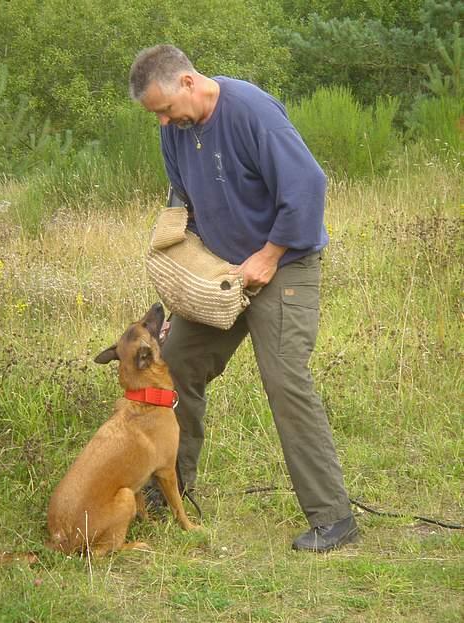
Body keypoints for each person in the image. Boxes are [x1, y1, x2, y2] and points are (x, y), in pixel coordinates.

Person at [129, 44, 358, 552]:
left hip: (284, 266)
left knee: (285, 381)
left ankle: (333, 518)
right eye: (156, 116)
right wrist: (182, 275)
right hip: (223, 277)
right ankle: (172, 490)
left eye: (165, 108)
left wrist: (271, 255)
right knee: (177, 364)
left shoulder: (252, 111)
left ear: (188, 82)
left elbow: (308, 185)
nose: (163, 122)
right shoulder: (175, 133)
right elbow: (181, 200)